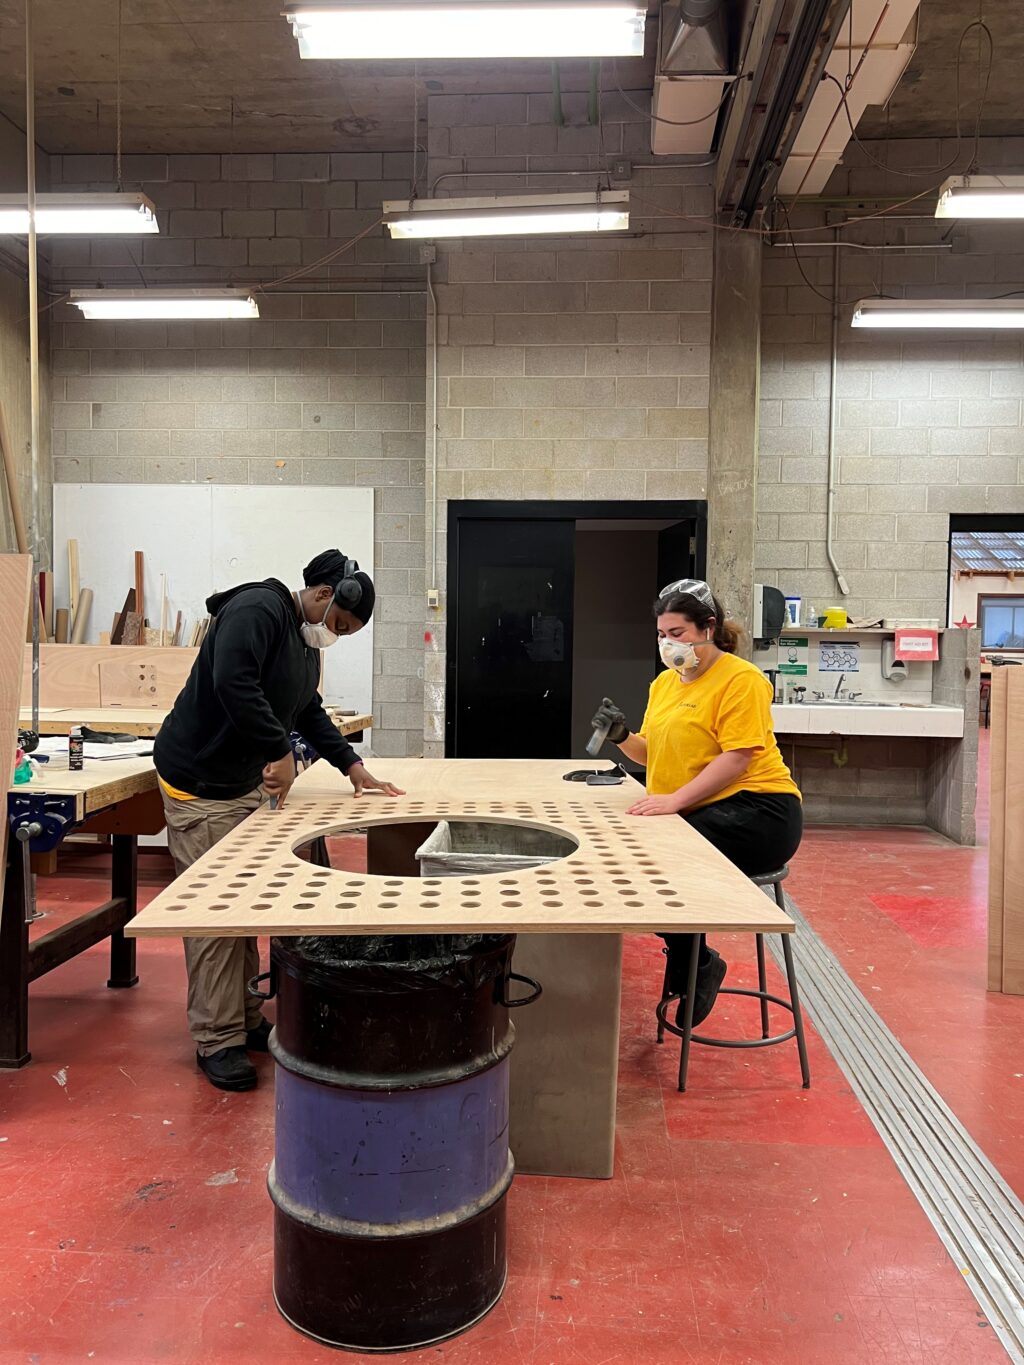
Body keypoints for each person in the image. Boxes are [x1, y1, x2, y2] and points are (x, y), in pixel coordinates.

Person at [154, 549, 404, 1092]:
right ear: (321, 595)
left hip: (237, 782)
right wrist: (279, 751)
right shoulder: (257, 610)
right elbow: (233, 683)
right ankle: (215, 1040)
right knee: (214, 914)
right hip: (199, 784)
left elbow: (306, 708)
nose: (335, 635)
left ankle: (241, 1019)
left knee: (239, 904)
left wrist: (352, 766)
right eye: (338, 623)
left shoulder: (299, 638)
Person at [591, 578, 802, 1027]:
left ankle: (694, 966)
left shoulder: (741, 680)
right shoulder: (665, 684)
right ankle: (696, 960)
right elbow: (654, 753)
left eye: (678, 633)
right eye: (662, 635)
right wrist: (622, 737)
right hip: (700, 808)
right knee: (633, 859)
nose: (668, 644)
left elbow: (739, 756)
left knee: (654, 861)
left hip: (759, 810)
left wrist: (674, 802)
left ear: (708, 627)